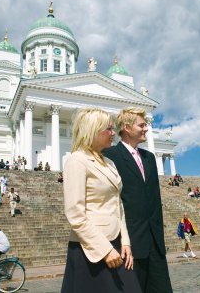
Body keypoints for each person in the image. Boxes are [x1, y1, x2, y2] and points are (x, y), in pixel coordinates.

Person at [61, 108, 140, 293]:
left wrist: (125, 242)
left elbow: (117, 204)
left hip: (116, 243)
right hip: (91, 248)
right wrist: (105, 250)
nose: (114, 133)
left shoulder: (109, 162)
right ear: (93, 130)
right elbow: (75, 213)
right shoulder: (77, 160)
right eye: (109, 129)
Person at [103, 107, 173, 292]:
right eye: (141, 125)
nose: (146, 129)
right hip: (130, 244)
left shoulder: (149, 157)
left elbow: (154, 200)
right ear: (127, 127)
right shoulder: (110, 156)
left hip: (155, 242)